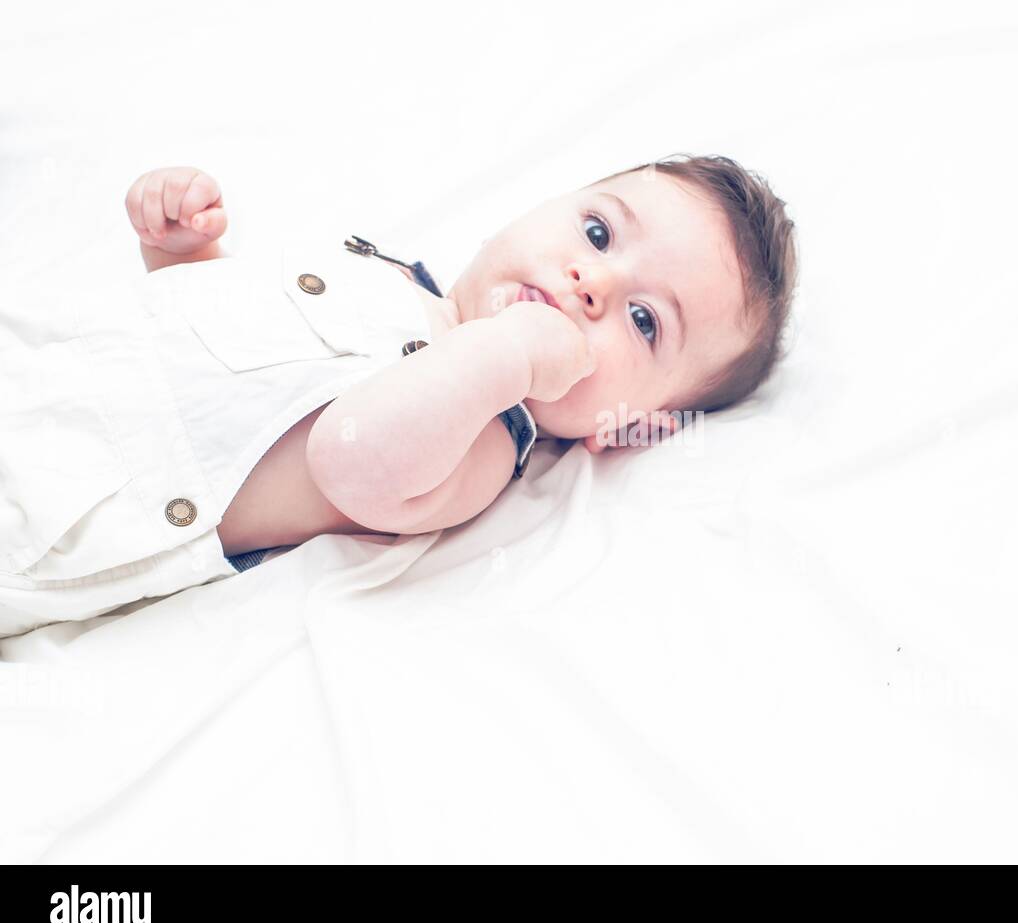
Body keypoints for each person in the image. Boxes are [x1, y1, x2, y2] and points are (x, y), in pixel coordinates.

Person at [0, 155, 797, 637]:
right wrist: (187, 255)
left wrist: (511, 355)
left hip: (51, 502)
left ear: (628, 429)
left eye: (644, 320)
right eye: (597, 233)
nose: (593, 283)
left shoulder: (485, 438)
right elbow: (221, 367)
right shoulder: (386, 275)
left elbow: (352, 459)